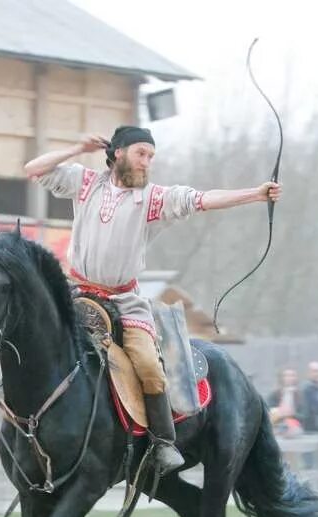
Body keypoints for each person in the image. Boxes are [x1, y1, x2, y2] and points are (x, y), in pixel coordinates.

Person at [25, 125, 281, 473]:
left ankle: (162, 443)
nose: (147, 162)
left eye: (151, 157)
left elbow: (202, 199)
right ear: (118, 153)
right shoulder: (85, 183)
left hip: (124, 302)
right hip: (77, 295)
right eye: (140, 154)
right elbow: (33, 169)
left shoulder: (153, 198)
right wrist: (75, 148)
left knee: (148, 365)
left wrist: (256, 194)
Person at [266, 368, 302, 434]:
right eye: (287, 375)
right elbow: (268, 409)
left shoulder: (300, 395)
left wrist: (292, 414)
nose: (289, 378)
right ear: (282, 378)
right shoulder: (274, 394)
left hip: (294, 424)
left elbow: (304, 414)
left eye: (292, 375)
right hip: (277, 424)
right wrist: (278, 413)